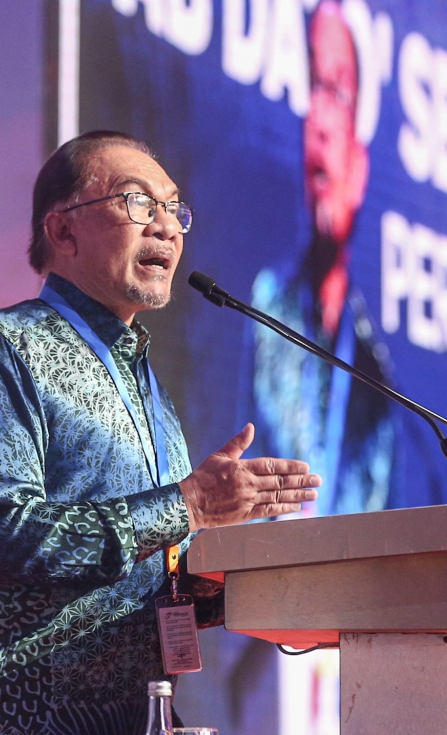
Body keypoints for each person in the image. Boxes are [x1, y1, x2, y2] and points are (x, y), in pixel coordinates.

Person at [0, 130, 320, 734]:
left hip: (140, 716)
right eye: (138, 201)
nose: (166, 227)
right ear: (63, 231)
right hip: (23, 714)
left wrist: (246, 581)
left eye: (175, 208)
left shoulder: (150, 391)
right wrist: (187, 505)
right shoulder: (4, 346)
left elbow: (135, 574)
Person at [243, 0, 396, 517]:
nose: (321, 121)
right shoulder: (262, 305)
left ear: (361, 166)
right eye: (312, 88)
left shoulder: (378, 378)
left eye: (337, 93)